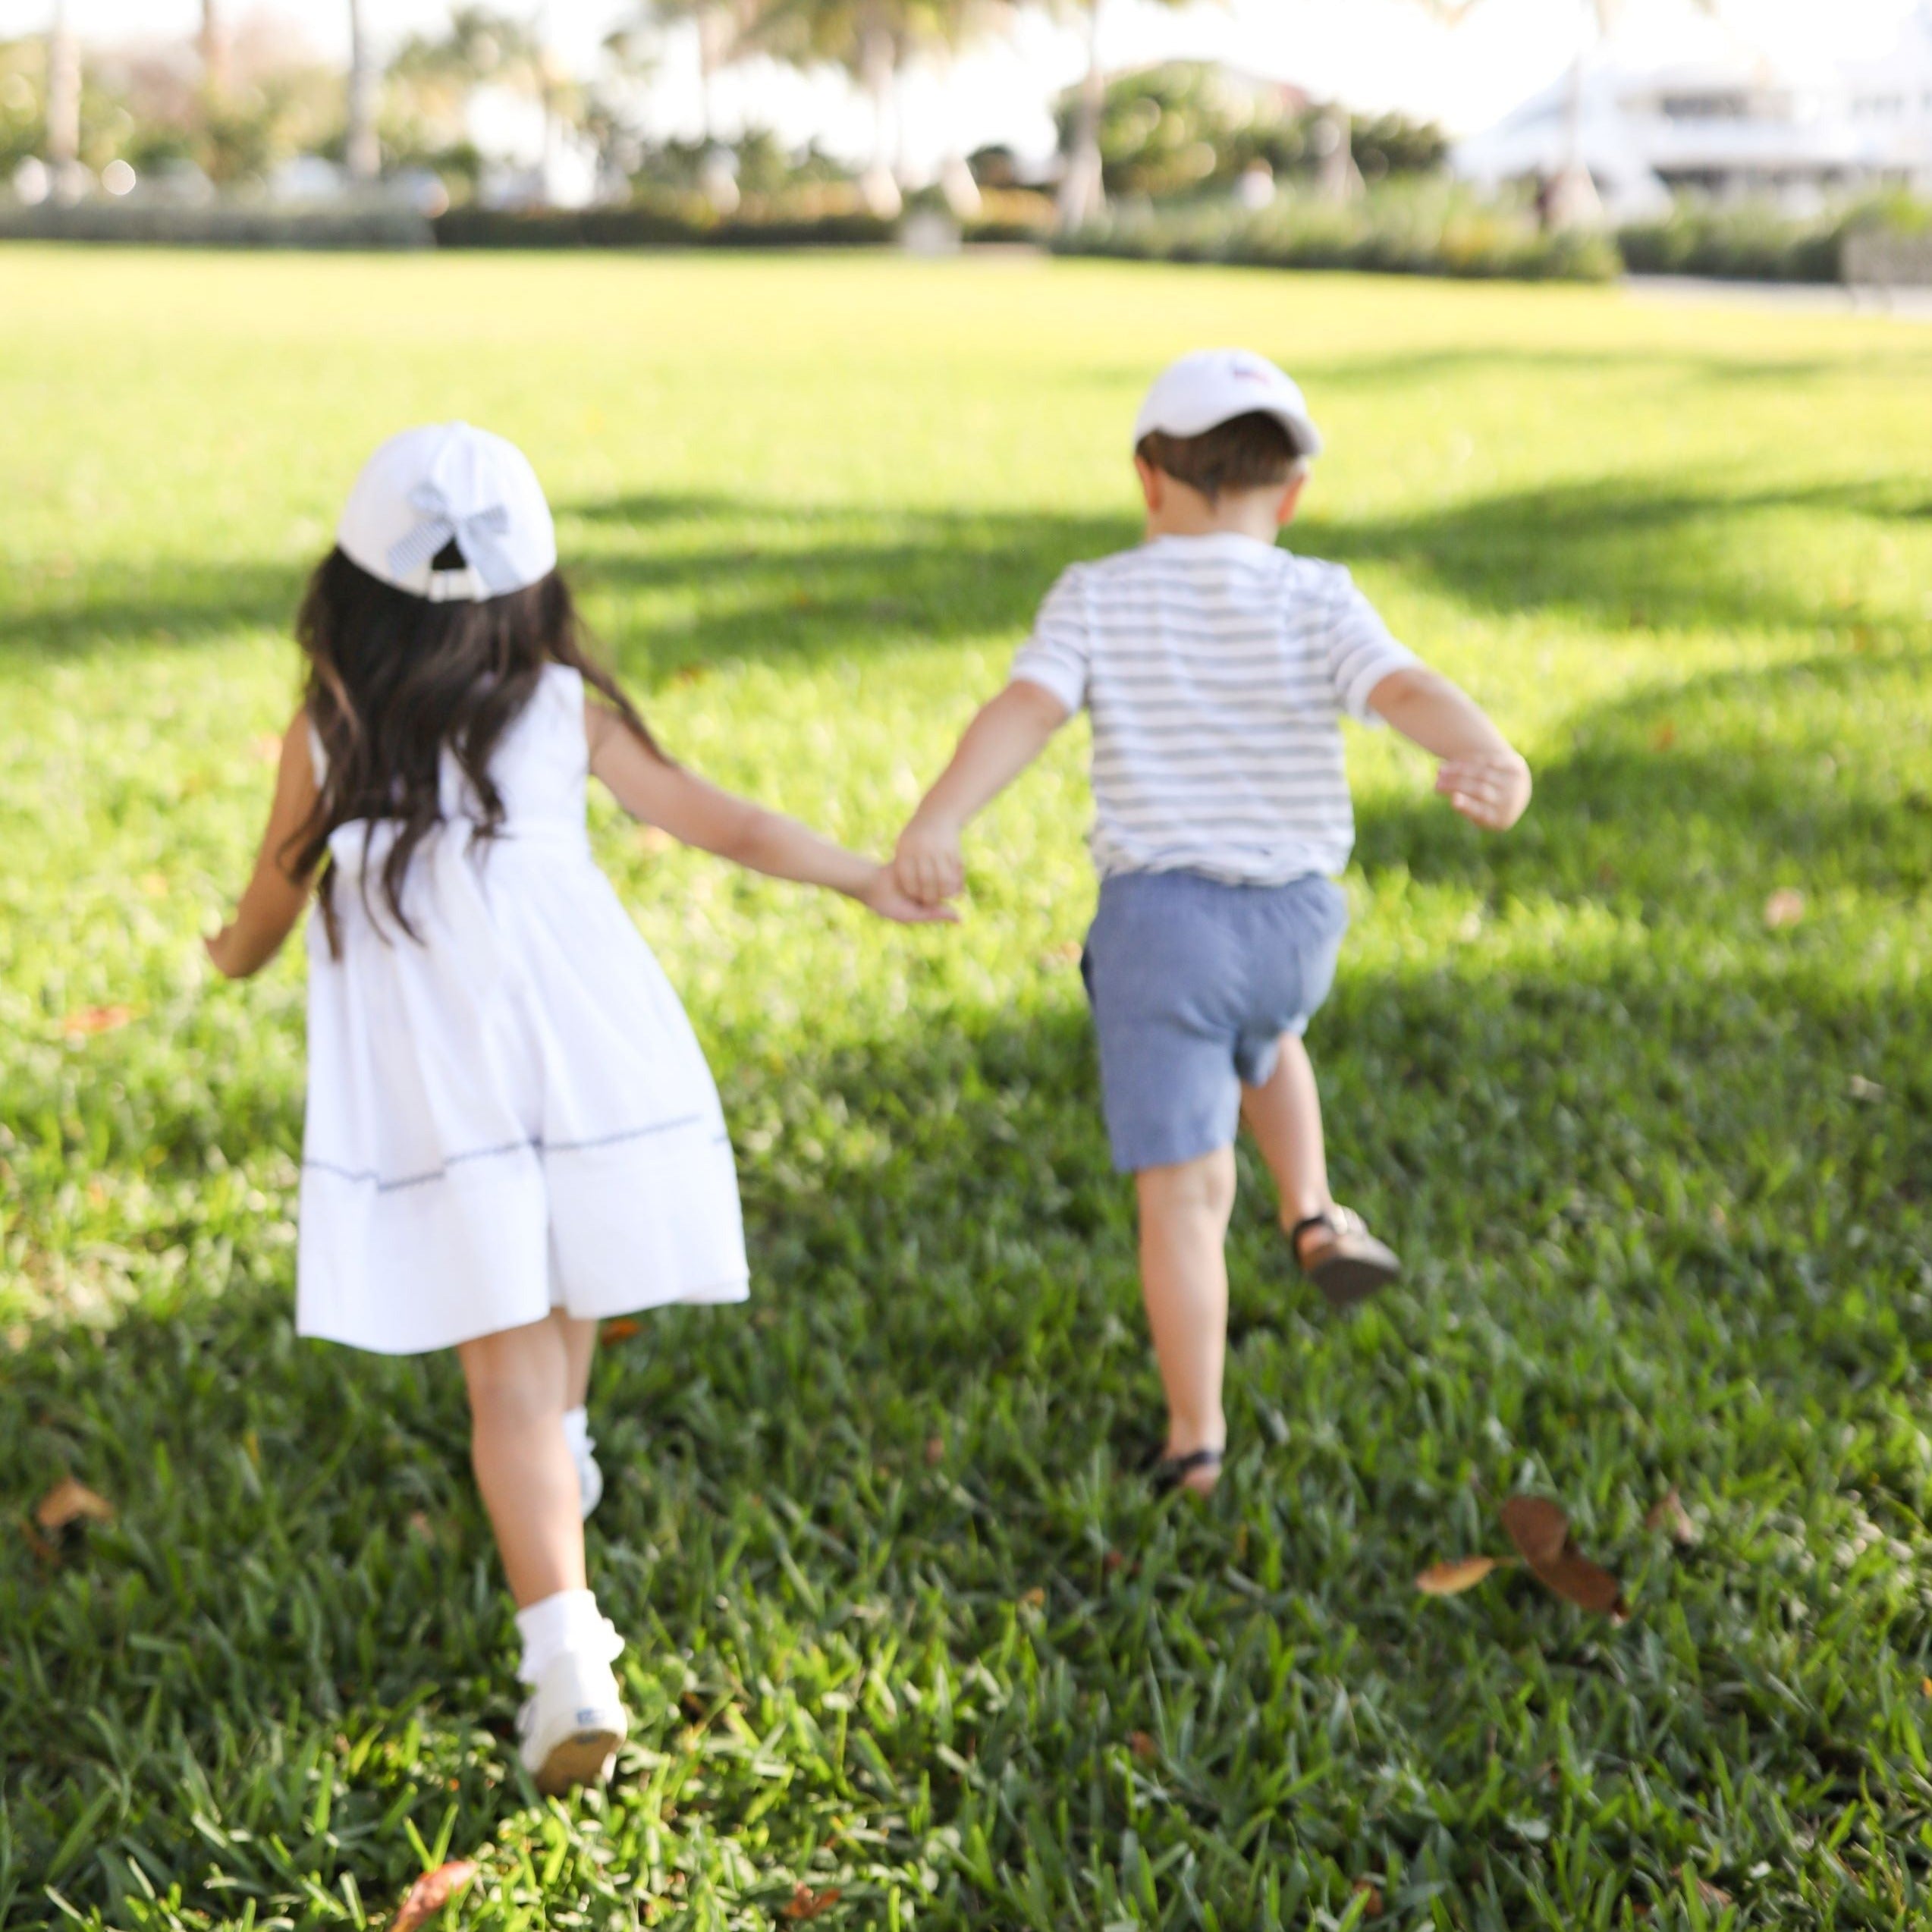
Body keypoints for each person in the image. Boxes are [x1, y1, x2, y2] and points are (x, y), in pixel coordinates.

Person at [206, 423, 947, 1793]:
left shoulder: (333, 727)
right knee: (564, 1319)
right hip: (593, 1059)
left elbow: (270, 894)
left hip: (446, 1095)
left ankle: (565, 1664)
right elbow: (714, 819)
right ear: (536, 587)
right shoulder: (558, 706)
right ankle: (565, 1469)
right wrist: (857, 875)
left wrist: (226, 957)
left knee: (510, 1383)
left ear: (351, 587)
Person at [891, 350, 1531, 1496]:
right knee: (1267, 1036)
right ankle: (1316, 1212)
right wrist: (1488, 752)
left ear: (1150, 479)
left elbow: (1025, 709)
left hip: (1165, 928)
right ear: (1289, 497)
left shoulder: (1099, 591)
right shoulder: (1318, 591)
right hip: (1297, 931)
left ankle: (1196, 1437)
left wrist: (939, 819)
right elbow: (1404, 687)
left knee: (1186, 1196)